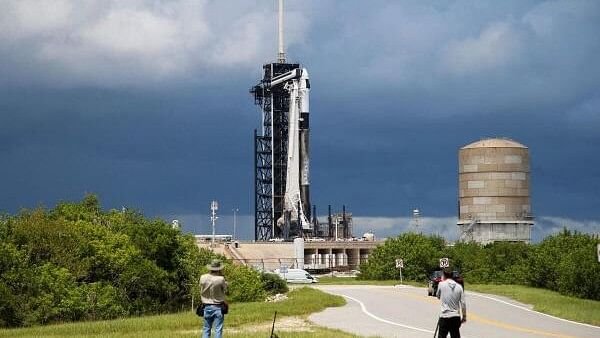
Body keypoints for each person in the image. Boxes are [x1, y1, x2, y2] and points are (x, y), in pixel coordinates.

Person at [435, 268, 466, 338]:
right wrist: (464, 316)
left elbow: (438, 296)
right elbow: (463, 303)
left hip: (444, 316)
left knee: (441, 336)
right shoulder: (459, 287)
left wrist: (442, 282)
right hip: (455, 316)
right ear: (452, 275)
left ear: (444, 275)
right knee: (455, 336)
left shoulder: (441, 284)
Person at [200, 259, 227, 338]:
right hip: (218, 307)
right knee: (218, 329)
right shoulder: (221, 279)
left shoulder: (202, 277)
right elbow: (225, 289)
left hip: (206, 306)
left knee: (206, 328)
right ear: (219, 269)